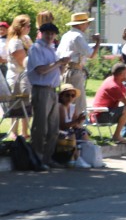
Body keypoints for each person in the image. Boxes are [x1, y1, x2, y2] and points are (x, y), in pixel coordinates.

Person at [27, 23, 70, 169]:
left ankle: (48, 158)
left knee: (53, 127)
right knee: (40, 127)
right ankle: (37, 159)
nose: (50, 36)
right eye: (47, 33)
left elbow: (58, 70)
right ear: (41, 33)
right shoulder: (36, 48)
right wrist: (59, 62)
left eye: (52, 33)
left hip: (52, 90)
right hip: (41, 89)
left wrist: (63, 64)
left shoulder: (52, 49)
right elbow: (41, 70)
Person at [57, 12, 101, 117]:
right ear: (81, 24)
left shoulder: (66, 35)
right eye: (87, 23)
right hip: (75, 71)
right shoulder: (77, 36)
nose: (88, 26)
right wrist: (98, 41)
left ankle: (67, 122)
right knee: (78, 103)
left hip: (66, 70)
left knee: (67, 101)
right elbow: (91, 54)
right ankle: (77, 124)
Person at [57, 83, 105, 169]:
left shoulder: (72, 107)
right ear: (61, 96)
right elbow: (62, 126)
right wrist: (77, 120)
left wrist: (79, 121)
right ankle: (76, 158)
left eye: (72, 95)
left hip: (67, 131)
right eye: (67, 95)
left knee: (83, 132)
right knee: (71, 133)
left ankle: (90, 157)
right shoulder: (60, 107)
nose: (70, 98)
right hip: (59, 132)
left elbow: (75, 124)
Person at [4, 15, 32, 140]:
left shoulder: (26, 38)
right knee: (16, 106)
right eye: (27, 25)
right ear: (20, 27)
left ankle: (24, 132)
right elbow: (23, 62)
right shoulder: (15, 42)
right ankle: (14, 132)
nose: (29, 27)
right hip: (16, 78)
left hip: (26, 77)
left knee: (27, 105)